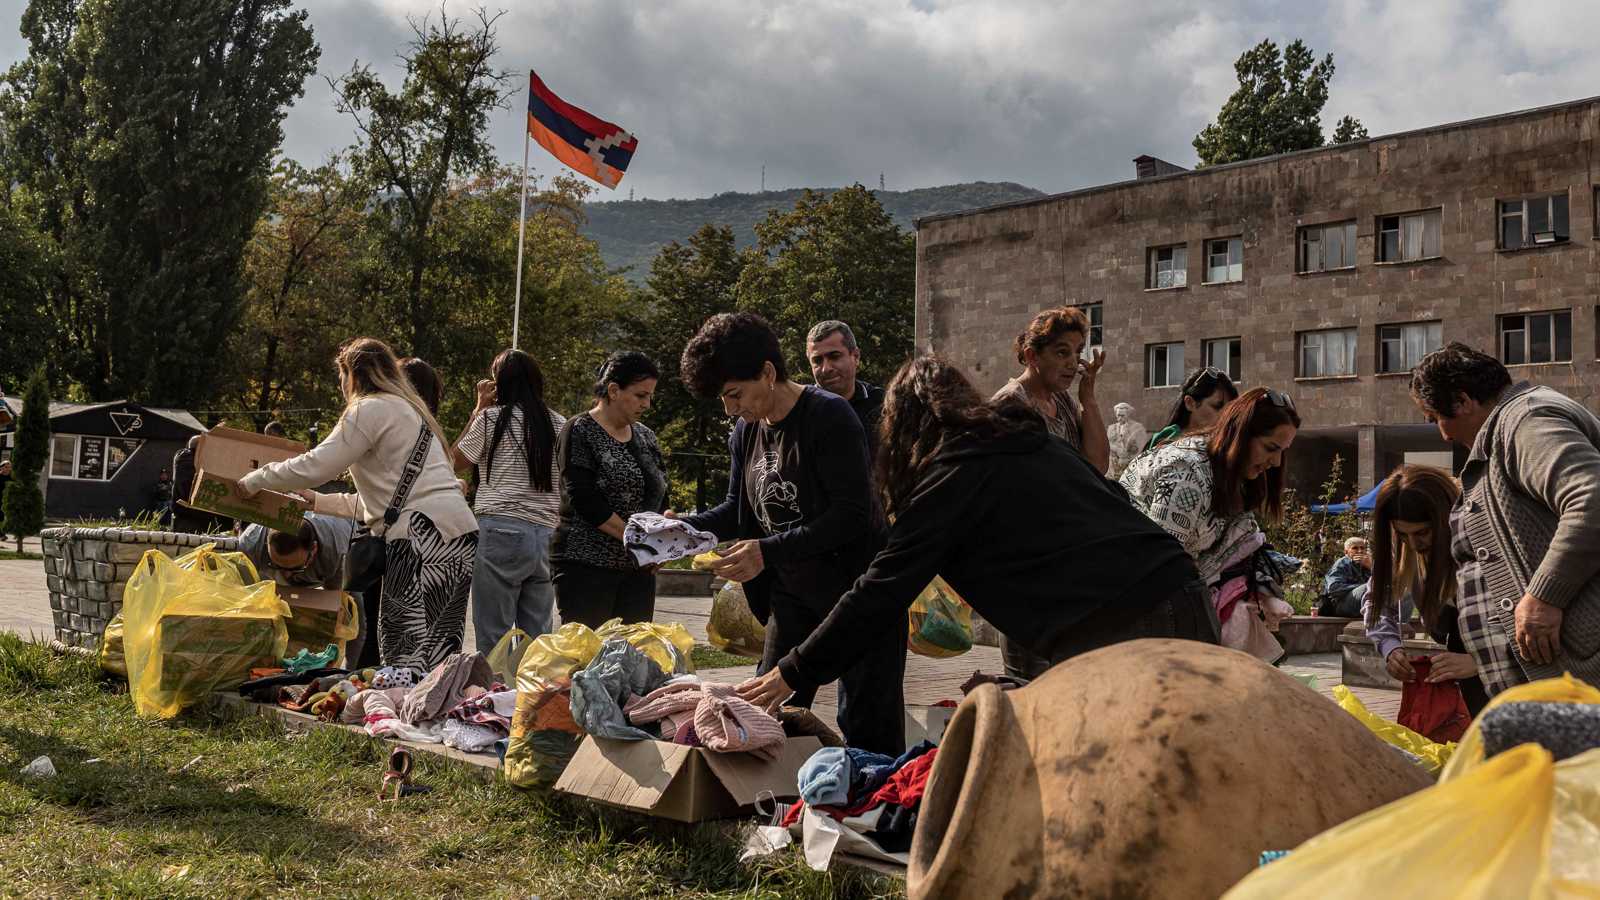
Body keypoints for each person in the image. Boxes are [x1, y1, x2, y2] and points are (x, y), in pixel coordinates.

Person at [735, 355, 1214, 714]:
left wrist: (792, 672)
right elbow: (1114, 499)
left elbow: (880, 589)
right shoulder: (1029, 443)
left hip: (1122, 623)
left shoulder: (952, 474)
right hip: (1183, 593)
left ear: (903, 430)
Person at [678, 312, 906, 755]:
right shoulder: (746, 432)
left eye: (734, 394)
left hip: (858, 598)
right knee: (765, 716)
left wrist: (766, 551)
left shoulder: (830, 416)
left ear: (767, 372)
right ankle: (773, 805)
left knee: (869, 731)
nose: (731, 409)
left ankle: (876, 816)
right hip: (793, 597)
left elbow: (852, 515)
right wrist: (680, 528)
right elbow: (738, 510)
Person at [238, 337, 478, 675]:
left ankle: (399, 721)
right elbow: (388, 500)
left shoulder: (368, 408)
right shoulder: (413, 413)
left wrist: (256, 479)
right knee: (440, 648)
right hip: (458, 534)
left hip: (419, 537)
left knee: (402, 646)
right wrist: (319, 501)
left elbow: (317, 464)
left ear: (350, 373)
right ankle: (435, 716)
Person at [1409, 342, 1600, 694]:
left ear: (1463, 401)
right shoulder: (1505, 431)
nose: (1442, 433)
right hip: (1549, 684)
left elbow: (1591, 498)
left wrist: (1545, 596)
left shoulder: (1525, 421)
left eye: (1436, 418)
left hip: (1579, 679)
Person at [1119, 388, 1300, 587]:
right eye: (1270, 448)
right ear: (1241, 434)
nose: (1276, 462)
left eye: (1283, 451)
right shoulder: (1187, 473)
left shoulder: (1232, 476)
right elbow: (1159, 567)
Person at [452, 349, 565, 652]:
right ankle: (532, 696)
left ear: (500, 383)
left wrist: (477, 409)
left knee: (494, 636)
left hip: (499, 529)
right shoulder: (559, 424)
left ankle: (495, 695)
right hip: (546, 534)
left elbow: (454, 461)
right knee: (538, 638)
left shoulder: (490, 420)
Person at [550, 351, 668, 629]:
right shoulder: (579, 430)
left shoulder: (647, 437)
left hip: (638, 570)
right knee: (586, 660)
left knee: (632, 656)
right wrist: (635, 539)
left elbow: (661, 494)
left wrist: (662, 542)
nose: (647, 404)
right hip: (586, 566)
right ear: (613, 391)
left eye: (650, 396)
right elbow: (583, 498)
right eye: (640, 396)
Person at [1362, 464, 1489, 715]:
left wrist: (1481, 661)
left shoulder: (1481, 537)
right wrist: (1390, 647)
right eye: (1403, 534)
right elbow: (1376, 602)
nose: (1414, 544)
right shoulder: (1403, 545)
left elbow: (1526, 620)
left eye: (1423, 532)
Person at [990, 306, 1110, 474]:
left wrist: (1088, 398)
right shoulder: (1010, 403)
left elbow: (1098, 466)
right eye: (1062, 353)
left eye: (1077, 352)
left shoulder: (1062, 399)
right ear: (1032, 356)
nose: (1073, 364)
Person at [806, 320, 885, 455]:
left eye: (834, 357)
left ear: (855, 356)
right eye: (817, 361)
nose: (826, 369)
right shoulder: (801, 409)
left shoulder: (882, 405)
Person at [238, 512, 354, 589]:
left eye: (295, 568)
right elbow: (242, 593)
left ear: (314, 549)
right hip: (267, 574)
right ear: (266, 543)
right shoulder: (250, 545)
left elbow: (334, 599)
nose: (287, 575)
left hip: (341, 558)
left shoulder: (339, 551)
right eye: (277, 565)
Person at [1146, 366, 1240, 451]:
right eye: (1216, 407)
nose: (1225, 416)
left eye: (1229, 410)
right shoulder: (1168, 439)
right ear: (1190, 403)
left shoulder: (1228, 446)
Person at [1320, 537, 1372, 618]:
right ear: (1346, 552)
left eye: (1362, 548)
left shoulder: (1367, 564)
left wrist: (1371, 567)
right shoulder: (1341, 564)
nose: (1360, 551)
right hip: (1340, 605)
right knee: (1371, 585)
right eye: (1355, 548)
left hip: (1361, 603)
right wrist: (1363, 586)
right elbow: (1334, 589)